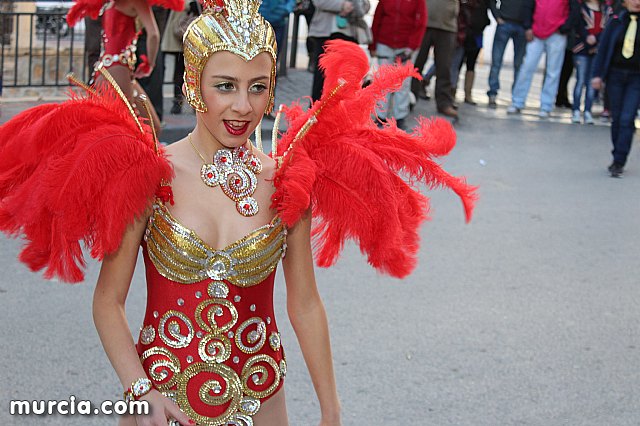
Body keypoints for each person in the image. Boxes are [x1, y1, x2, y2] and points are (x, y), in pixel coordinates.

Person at [0, 1, 476, 424]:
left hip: (263, 400)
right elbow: (108, 302)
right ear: (194, 84)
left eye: (258, 87)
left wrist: (332, 411)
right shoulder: (151, 173)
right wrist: (140, 391)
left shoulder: (287, 181)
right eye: (225, 86)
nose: (242, 106)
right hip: (161, 406)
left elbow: (305, 303)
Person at [66, 0, 182, 132]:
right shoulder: (135, 2)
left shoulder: (110, 3)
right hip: (118, 69)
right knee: (130, 130)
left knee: (147, 127)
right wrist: (150, 64)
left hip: (107, 69)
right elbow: (153, 34)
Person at [592, 0, 640, 177]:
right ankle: (617, 151)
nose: (637, 2)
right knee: (617, 118)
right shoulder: (616, 20)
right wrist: (597, 75)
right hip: (615, 76)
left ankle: (619, 159)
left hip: (636, 78)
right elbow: (603, 49)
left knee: (628, 118)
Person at [506, 0, 571, 118]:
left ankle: (546, 106)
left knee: (552, 72)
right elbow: (527, 6)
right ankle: (517, 102)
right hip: (536, 33)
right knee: (527, 67)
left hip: (557, 34)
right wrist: (528, 27)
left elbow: (574, 10)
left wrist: (565, 28)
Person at [369, 0, 427, 129]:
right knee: (382, 82)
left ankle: (400, 117)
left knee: (403, 84)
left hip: (405, 47)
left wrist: (412, 47)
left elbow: (421, 23)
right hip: (385, 44)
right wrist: (372, 44)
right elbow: (377, 18)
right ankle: (380, 117)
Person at [308, 0, 370, 101]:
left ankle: (339, 112)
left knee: (346, 78)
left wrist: (353, 6)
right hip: (326, 34)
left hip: (349, 35)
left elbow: (365, 6)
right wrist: (341, 5)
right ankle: (316, 111)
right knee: (322, 75)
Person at [411, 0, 460, 119]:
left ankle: (444, 103)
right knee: (416, 65)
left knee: (444, 67)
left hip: (447, 24)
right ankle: (409, 99)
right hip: (422, 21)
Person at [486, 0, 530, 107]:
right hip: (505, 22)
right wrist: (497, 17)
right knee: (497, 61)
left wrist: (529, 25)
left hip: (521, 26)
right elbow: (492, 1)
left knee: (519, 64)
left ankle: (516, 96)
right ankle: (493, 92)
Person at [451, 0, 490, 105]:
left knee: (471, 64)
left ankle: (468, 94)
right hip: (463, 32)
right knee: (456, 64)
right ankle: (452, 92)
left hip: (476, 33)